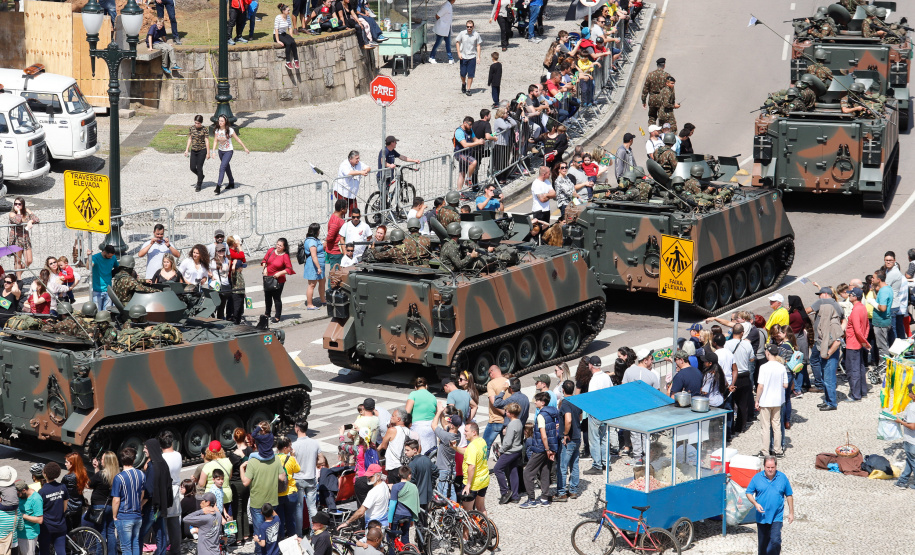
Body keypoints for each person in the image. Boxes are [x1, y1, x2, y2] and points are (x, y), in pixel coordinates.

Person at [240, 440, 284, 555]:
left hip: (257, 503)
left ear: (256, 446)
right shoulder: (276, 459)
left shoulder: (253, 462)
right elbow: (282, 478)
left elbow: (245, 482)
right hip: (273, 500)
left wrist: (241, 468)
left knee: (260, 533)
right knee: (272, 531)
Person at [746, 457, 794, 555]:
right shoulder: (757, 478)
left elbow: (789, 495)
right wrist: (755, 503)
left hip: (777, 516)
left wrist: (791, 513)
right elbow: (748, 492)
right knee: (763, 546)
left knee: (775, 541)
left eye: (772, 467)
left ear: (776, 466)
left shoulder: (782, 477)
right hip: (762, 517)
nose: (770, 469)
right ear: (764, 466)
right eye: (768, 467)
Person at [520, 392, 559, 508]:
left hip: (541, 447)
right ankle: (544, 498)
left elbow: (544, 435)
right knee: (545, 471)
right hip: (548, 447)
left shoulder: (541, 415)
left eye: (536, 400)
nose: (534, 402)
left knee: (528, 473)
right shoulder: (551, 413)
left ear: (542, 403)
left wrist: (547, 449)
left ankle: (531, 499)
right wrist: (551, 449)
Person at [756, 345, 788, 458]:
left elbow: (760, 386)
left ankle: (765, 451)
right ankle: (778, 450)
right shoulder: (781, 367)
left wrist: (757, 399)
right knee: (777, 425)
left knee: (765, 427)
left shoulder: (764, 367)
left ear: (768, 353)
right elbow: (785, 385)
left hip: (766, 400)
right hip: (778, 400)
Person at [112, 449, 145, 555]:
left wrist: (114, 516)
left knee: (126, 547)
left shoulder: (119, 478)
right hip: (137, 515)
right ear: (134, 459)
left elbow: (116, 500)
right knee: (135, 544)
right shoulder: (141, 474)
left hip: (124, 516)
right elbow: (142, 493)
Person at [584, 356, 613, 475]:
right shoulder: (606, 376)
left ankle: (597, 465)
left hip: (596, 412)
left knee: (594, 439)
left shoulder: (594, 380)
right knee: (604, 438)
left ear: (591, 365)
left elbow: (592, 398)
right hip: (606, 412)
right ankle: (606, 462)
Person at [555, 380, 582, 502]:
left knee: (562, 466)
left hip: (569, 439)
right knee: (575, 465)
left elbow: (568, 419)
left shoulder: (565, 403)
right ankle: (573, 490)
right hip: (577, 437)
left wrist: (565, 433)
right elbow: (579, 417)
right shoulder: (577, 401)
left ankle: (561, 492)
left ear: (563, 390)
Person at [87, 452, 118, 554]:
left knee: (100, 532)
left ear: (107, 462)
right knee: (111, 531)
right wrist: (97, 468)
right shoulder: (117, 475)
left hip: (99, 506)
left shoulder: (100, 475)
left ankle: (101, 553)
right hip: (112, 506)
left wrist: (96, 470)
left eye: (103, 459)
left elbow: (89, 485)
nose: (101, 461)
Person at [455, 422, 489, 514]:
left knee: (467, 512)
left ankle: (467, 529)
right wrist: (454, 447)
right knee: (481, 507)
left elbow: (472, 466)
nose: (464, 433)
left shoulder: (472, 447)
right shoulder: (481, 441)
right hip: (484, 479)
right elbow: (467, 451)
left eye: (466, 431)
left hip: (473, 483)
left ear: (474, 432)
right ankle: (485, 527)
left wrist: (468, 485)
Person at [213, 115, 249, 195]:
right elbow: (215, 141)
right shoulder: (217, 130)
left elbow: (237, 139)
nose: (220, 122)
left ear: (225, 121)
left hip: (228, 151)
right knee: (226, 167)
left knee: (222, 167)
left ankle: (218, 186)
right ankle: (231, 182)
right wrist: (213, 151)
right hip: (220, 151)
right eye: (219, 121)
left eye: (222, 121)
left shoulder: (230, 130)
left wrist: (245, 148)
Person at [261, 238, 294, 323]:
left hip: (278, 280)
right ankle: (267, 313)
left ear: (284, 247)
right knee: (267, 297)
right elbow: (264, 260)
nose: (278, 246)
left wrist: (279, 273)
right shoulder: (271, 250)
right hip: (268, 278)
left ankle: (277, 316)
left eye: (280, 245)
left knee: (276, 298)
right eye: (277, 244)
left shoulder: (285, 256)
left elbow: (289, 269)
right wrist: (265, 268)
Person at [406, 377, 438, 454]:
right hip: (431, 427)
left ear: (415, 387)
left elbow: (407, 412)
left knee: (418, 453)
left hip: (418, 427)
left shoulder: (413, 394)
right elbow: (436, 413)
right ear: (426, 386)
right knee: (431, 453)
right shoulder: (432, 397)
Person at [335, 151, 370, 216]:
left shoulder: (359, 163)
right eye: (356, 158)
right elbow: (348, 173)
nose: (358, 160)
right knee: (342, 210)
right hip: (342, 191)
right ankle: (340, 224)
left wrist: (365, 171)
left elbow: (368, 168)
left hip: (352, 192)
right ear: (351, 159)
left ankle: (352, 224)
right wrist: (360, 172)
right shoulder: (344, 164)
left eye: (359, 158)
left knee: (354, 210)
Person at [894, 384, 915, 489]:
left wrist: (900, 421)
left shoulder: (912, 408)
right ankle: (902, 481)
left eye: (910, 391)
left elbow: (912, 426)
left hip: (912, 441)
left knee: (913, 462)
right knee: (910, 461)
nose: (908, 393)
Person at [455, 20, 482, 96]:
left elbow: (478, 45)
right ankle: (463, 83)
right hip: (463, 56)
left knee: (471, 74)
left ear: (473, 27)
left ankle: (468, 89)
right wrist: (459, 53)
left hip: (472, 57)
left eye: (470, 27)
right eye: (467, 27)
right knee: (462, 73)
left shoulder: (476, 35)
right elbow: (457, 42)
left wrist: (478, 57)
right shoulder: (462, 33)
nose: (469, 28)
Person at [15, 479, 42, 555]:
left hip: (28, 535)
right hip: (17, 534)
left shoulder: (36, 499)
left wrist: (22, 515)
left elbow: (39, 520)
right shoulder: (21, 496)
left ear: (24, 490)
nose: (17, 496)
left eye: (18, 494)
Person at [90, 245, 118, 310]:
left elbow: (117, 268)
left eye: (112, 256)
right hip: (97, 290)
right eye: (109, 256)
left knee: (107, 313)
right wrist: (89, 258)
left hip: (108, 289)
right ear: (105, 252)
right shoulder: (95, 258)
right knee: (97, 312)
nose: (111, 258)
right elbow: (89, 267)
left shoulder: (113, 257)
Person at [275, 4, 300, 70]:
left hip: (284, 34)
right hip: (277, 35)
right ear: (283, 11)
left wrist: (291, 37)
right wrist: (278, 40)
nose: (289, 12)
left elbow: (290, 28)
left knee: (293, 42)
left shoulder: (288, 17)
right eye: (288, 10)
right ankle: (288, 61)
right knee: (288, 43)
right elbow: (276, 30)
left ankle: (296, 60)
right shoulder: (278, 17)